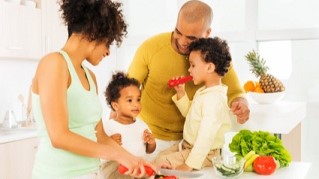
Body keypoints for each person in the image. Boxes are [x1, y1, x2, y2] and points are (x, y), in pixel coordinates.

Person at [31, 0, 156, 178]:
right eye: (108, 43)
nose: (108, 52)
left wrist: (134, 160)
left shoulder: (90, 76)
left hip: (92, 173)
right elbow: (59, 136)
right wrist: (118, 155)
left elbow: (101, 136)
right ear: (93, 33)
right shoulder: (53, 63)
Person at [127, 0, 250, 158]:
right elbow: (125, 90)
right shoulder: (150, 48)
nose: (182, 41)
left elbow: (235, 92)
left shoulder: (216, 57)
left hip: (191, 141)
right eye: (178, 32)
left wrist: (241, 105)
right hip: (149, 136)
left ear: (207, 33)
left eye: (191, 38)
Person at [154, 37, 233, 171]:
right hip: (188, 146)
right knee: (160, 156)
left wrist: (189, 165)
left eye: (193, 65)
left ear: (209, 67)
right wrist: (181, 93)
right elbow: (191, 114)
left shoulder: (214, 99)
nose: (189, 70)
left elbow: (205, 137)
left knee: (161, 162)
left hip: (205, 153)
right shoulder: (205, 92)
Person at [101, 72, 156, 179]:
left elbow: (149, 150)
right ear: (115, 105)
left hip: (136, 165)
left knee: (151, 173)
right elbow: (100, 151)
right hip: (115, 166)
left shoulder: (141, 125)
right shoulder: (109, 126)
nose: (136, 104)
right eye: (130, 100)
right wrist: (110, 142)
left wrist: (151, 143)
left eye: (138, 99)